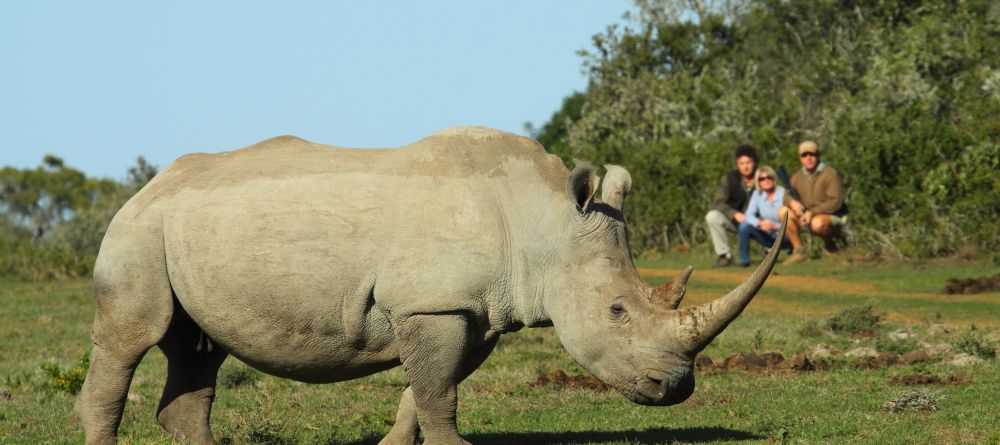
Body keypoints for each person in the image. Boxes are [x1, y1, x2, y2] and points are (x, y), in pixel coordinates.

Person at [780, 140, 848, 264]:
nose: (808, 158)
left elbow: (836, 202)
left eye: (812, 154)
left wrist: (812, 212)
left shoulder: (830, 174)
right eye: (804, 155)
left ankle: (831, 244)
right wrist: (792, 203)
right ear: (800, 158)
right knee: (783, 212)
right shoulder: (797, 176)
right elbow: (785, 197)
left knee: (817, 224)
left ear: (818, 155)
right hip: (806, 216)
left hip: (831, 216)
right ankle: (799, 251)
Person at [705, 144, 758, 267]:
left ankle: (771, 249)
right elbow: (718, 201)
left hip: (758, 223)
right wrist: (734, 214)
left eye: (748, 162)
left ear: (754, 162)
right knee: (712, 216)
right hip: (736, 221)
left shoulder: (763, 176)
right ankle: (725, 255)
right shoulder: (729, 178)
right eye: (741, 163)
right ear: (737, 164)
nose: (745, 167)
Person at [736, 166, 790, 267]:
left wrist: (776, 227)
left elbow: (791, 218)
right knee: (744, 227)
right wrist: (760, 223)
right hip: (766, 233)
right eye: (762, 179)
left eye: (769, 177)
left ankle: (793, 252)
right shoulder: (757, 194)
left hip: (783, 233)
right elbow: (748, 215)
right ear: (758, 181)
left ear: (773, 178)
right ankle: (744, 261)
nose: (766, 180)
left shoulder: (783, 192)